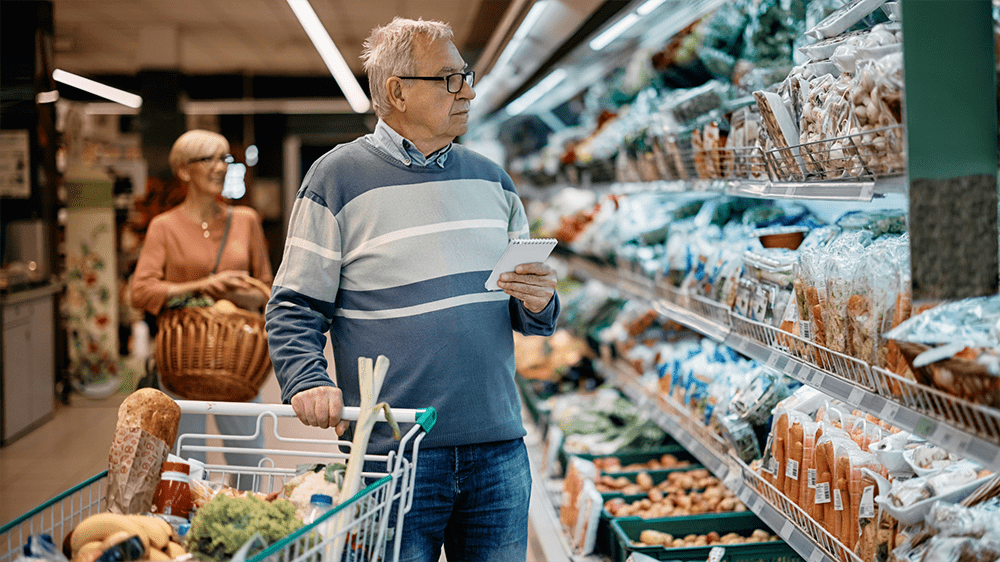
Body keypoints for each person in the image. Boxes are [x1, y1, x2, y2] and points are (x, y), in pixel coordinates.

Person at [265, 17, 559, 562]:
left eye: (466, 76)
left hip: (497, 448)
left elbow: (532, 313)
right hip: (390, 456)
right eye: (450, 78)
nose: (468, 91)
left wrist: (541, 300)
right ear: (396, 91)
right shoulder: (335, 179)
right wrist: (305, 377)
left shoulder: (493, 181)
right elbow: (294, 305)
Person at [131, 129, 273, 471]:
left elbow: (268, 286)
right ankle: (189, 524)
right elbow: (141, 291)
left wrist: (241, 293)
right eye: (207, 159)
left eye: (224, 158)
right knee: (187, 462)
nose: (220, 168)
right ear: (183, 170)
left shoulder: (246, 220)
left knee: (249, 458)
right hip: (183, 356)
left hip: (238, 359)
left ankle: (246, 519)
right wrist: (207, 284)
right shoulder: (164, 227)